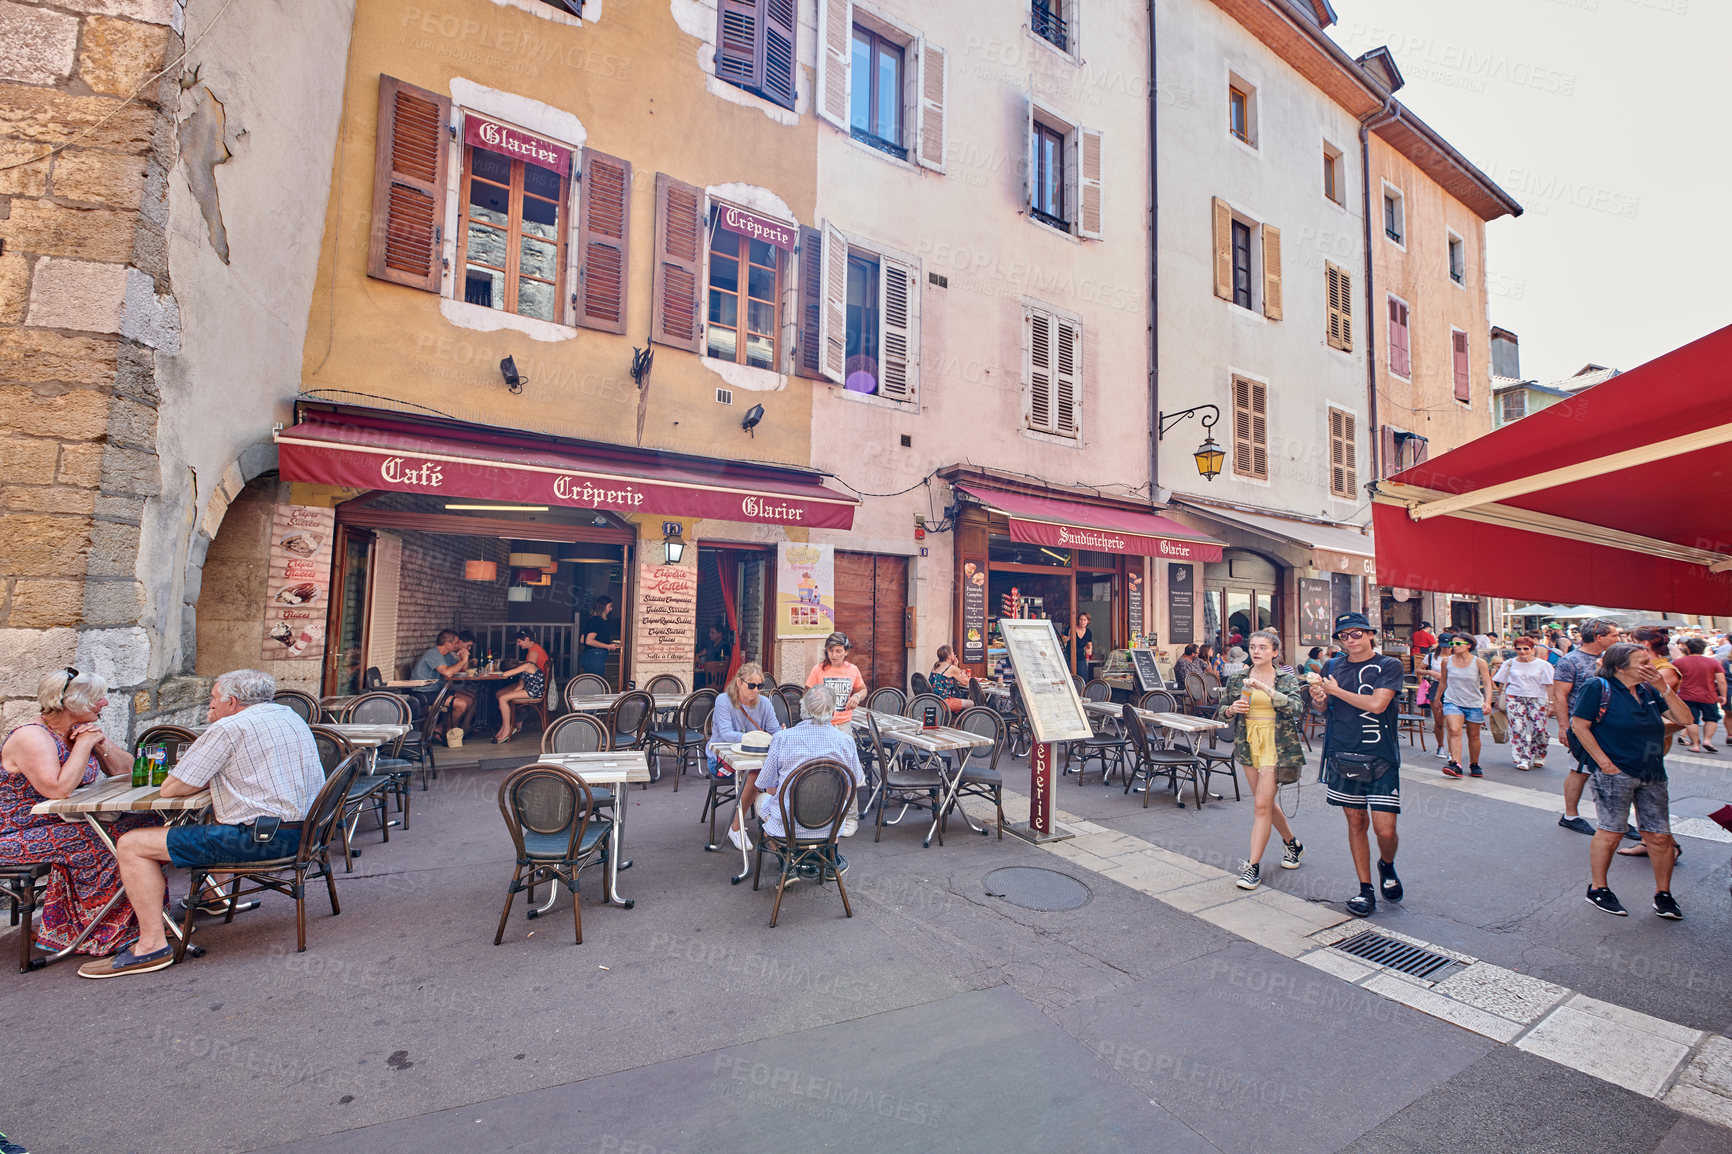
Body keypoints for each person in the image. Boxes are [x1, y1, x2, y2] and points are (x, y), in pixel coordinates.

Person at [80, 669, 324, 978]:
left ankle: (151, 946)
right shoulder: (287, 714)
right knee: (217, 809)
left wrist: (205, 772)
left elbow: (172, 789)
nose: (210, 705)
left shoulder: (229, 727)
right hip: (304, 832)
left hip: (261, 839)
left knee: (132, 844)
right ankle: (214, 898)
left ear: (231, 701)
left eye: (212, 699)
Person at [1, 670, 160, 959]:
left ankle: (142, 923)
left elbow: (127, 771)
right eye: (97, 699)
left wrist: (100, 744)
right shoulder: (32, 736)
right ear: (71, 704)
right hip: (17, 833)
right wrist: (84, 745)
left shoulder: (80, 731)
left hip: (65, 822)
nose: (104, 704)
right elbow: (58, 789)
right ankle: (96, 930)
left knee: (147, 824)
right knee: (113, 840)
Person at [1573, 643, 1693, 918]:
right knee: (1611, 832)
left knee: (1659, 836)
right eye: (1642, 662)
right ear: (1619, 666)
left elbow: (1685, 718)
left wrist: (1663, 687)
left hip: (1652, 772)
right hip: (1615, 772)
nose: (1649, 667)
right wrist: (1605, 764)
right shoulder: (1598, 687)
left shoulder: (1649, 689)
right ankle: (1598, 888)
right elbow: (1580, 725)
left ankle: (1663, 895)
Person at [1311, 612, 1405, 918]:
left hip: (1380, 755)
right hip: (1342, 753)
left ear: (1370, 634)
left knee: (1385, 829)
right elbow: (1325, 708)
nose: (1351, 640)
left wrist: (1335, 690)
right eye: (1344, 635)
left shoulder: (1388, 665)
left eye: (1357, 633)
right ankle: (1365, 890)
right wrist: (1319, 698)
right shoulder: (1332, 665)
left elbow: (1378, 705)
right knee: (1356, 823)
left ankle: (1386, 865)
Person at [1217, 631, 1306, 891]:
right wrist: (1232, 709)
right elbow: (1221, 709)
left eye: (1263, 648)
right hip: (1248, 743)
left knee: (1260, 806)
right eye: (1253, 647)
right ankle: (1292, 843)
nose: (1256, 651)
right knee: (1263, 802)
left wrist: (1266, 689)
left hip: (1276, 745)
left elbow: (1295, 708)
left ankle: (1252, 867)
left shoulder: (1286, 679)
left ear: (1274, 652)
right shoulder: (1237, 678)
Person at [735, 686, 866, 849]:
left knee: (762, 799)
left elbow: (769, 788)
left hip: (788, 826)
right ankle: (825, 858)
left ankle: (787, 861)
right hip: (829, 825)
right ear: (832, 713)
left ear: (803, 710)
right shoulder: (846, 741)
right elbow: (852, 785)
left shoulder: (782, 738)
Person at [1550, 618, 1627, 835]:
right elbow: (1560, 696)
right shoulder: (1570, 661)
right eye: (1614, 635)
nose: (1618, 639)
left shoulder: (1612, 659)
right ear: (1599, 637)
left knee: (1618, 772)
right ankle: (1570, 815)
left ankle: (1618, 819)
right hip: (1584, 727)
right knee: (1579, 770)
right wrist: (1564, 727)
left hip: (1613, 726)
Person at [1433, 634, 1494, 778]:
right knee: (1454, 730)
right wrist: (1437, 698)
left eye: (1458, 643)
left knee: (1473, 735)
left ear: (1469, 645)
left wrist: (1487, 701)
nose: (1454, 646)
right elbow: (1443, 682)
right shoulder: (1446, 661)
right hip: (1453, 701)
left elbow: (1487, 683)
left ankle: (1474, 763)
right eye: (1452, 643)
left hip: (1473, 702)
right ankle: (1456, 764)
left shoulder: (1479, 662)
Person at [708, 663, 782, 779]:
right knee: (754, 775)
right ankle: (751, 797)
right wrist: (756, 739)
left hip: (754, 757)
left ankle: (755, 796)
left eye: (760, 686)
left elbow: (775, 730)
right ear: (739, 682)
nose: (756, 690)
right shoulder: (723, 700)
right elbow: (726, 734)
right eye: (751, 686)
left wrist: (782, 734)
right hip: (723, 758)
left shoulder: (765, 703)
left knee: (777, 771)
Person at [1495, 638, 1555, 770]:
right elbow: (1502, 682)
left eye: (1526, 648)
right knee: (1517, 728)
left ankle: (1539, 753)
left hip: (1537, 698)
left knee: (1540, 729)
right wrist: (1498, 698)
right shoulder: (1509, 663)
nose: (1522, 651)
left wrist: (1551, 703)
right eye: (1518, 648)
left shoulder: (1544, 665)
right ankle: (1522, 758)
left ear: (1532, 649)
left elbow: (1549, 685)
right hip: (1514, 697)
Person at [491, 628, 551, 744]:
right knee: (503, 697)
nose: (518, 644)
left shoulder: (532, 656)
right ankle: (506, 726)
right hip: (531, 686)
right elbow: (522, 680)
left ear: (527, 639)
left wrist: (511, 668)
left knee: (503, 697)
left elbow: (511, 674)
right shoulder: (530, 656)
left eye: (519, 642)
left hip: (534, 690)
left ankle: (508, 728)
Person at [411, 630, 473, 740]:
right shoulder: (433, 654)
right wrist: (462, 660)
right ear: (448, 644)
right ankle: (448, 730)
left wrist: (463, 659)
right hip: (424, 692)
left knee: (469, 700)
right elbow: (448, 672)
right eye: (456, 643)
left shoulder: (446, 655)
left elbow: (461, 669)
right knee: (461, 704)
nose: (457, 645)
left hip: (438, 690)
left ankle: (441, 728)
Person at [1673, 637, 1725, 754]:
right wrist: (1723, 695)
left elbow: (1674, 679)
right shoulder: (1713, 662)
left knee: (1692, 721)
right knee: (1711, 719)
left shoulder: (1679, 662)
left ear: (1687, 649)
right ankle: (1707, 740)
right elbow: (1721, 681)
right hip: (1708, 696)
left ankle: (1696, 745)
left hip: (1687, 696)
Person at [806, 632, 867, 728]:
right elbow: (806, 695)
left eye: (838, 651)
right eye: (830, 651)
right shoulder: (817, 670)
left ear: (846, 651)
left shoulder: (853, 670)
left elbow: (863, 689)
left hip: (844, 722)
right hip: (821, 723)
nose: (834, 655)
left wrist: (857, 696)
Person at [579, 595, 621, 680]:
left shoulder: (591, 620)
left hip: (588, 656)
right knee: (596, 685)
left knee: (591, 684)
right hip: (595, 657)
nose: (611, 609)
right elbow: (589, 641)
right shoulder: (597, 621)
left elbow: (582, 640)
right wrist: (608, 646)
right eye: (610, 606)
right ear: (603, 607)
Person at [930, 646, 972, 715]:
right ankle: (964, 723)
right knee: (971, 703)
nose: (954, 654)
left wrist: (955, 666)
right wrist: (959, 669)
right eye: (952, 652)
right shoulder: (951, 668)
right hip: (944, 702)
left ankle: (956, 720)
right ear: (949, 656)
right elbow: (966, 682)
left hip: (934, 700)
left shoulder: (936, 665)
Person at [1064, 612, 1094, 677]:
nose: (1082, 622)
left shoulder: (1088, 632)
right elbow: (1062, 641)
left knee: (1083, 677)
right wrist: (1069, 638)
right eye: (1081, 619)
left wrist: (1089, 650)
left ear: (1088, 621)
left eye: (1084, 620)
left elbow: (1089, 645)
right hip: (1069, 656)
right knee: (1070, 677)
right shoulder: (1071, 628)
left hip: (1081, 657)